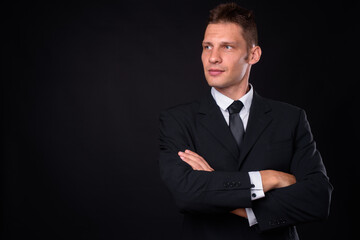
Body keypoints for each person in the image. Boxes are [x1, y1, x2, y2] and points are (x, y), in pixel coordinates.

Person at [158, 3, 333, 240]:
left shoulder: (291, 118)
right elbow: (187, 194)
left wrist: (213, 186)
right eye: (207, 46)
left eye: (226, 47)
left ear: (253, 54)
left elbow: (317, 200)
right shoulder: (177, 120)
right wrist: (270, 178)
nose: (213, 57)